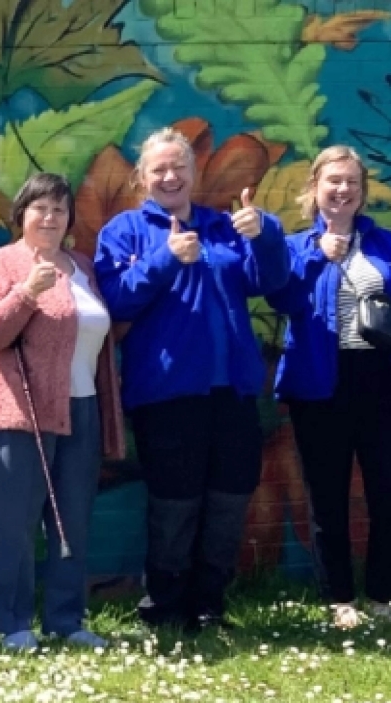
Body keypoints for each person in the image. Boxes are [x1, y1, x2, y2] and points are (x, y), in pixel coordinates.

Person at [94, 127, 288, 631]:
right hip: (166, 393)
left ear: (193, 173)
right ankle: (164, 605)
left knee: (229, 498)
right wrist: (163, 259)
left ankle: (210, 603)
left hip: (234, 391)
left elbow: (269, 280)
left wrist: (264, 233)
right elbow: (116, 301)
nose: (170, 176)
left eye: (178, 167)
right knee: (173, 503)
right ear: (143, 177)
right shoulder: (124, 231)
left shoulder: (223, 227)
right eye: (158, 168)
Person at [265, 145, 391, 629]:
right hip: (319, 382)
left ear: (362, 193)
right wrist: (316, 258)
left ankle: (382, 597)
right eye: (334, 181)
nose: (343, 189)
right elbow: (280, 295)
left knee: (389, 493)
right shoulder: (295, 245)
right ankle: (340, 600)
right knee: (327, 497)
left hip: (383, 382)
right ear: (315, 188)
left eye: (352, 182)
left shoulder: (385, 242)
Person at [0, 173, 125, 650]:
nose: (49, 217)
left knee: (71, 520)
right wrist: (26, 293)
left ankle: (65, 619)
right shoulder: (3, 261)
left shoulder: (81, 265)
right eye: (39, 208)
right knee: (14, 523)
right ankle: (6, 623)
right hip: (23, 413)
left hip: (81, 409)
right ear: (21, 215)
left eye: (59, 209)